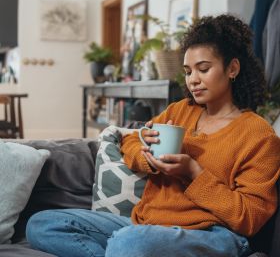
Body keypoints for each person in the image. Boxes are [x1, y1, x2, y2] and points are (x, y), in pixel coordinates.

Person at [26, 14, 280, 257]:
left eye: (203, 69)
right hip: (147, 228)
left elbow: (251, 217)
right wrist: (147, 154)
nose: (193, 80)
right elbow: (132, 141)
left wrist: (193, 173)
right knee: (42, 224)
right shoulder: (180, 111)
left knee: (129, 243)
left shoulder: (258, 134)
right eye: (188, 71)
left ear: (232, 68)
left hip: (212, 234)